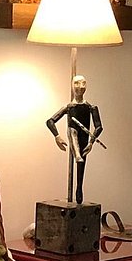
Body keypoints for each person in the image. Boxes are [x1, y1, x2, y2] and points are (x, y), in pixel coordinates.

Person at [45, 75, 104, 204]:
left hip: (85, 139)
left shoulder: (91, 108)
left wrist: (91, 142)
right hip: (73, 136)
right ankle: (77, 154)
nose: (80, 87)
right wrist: (57, 136)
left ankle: (79, 188)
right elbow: (50, 121)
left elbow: (99, 127)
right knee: (72, 130)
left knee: (81, 164)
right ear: (72, 86)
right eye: (77, 83)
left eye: (83, 83)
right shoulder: (69, 107)